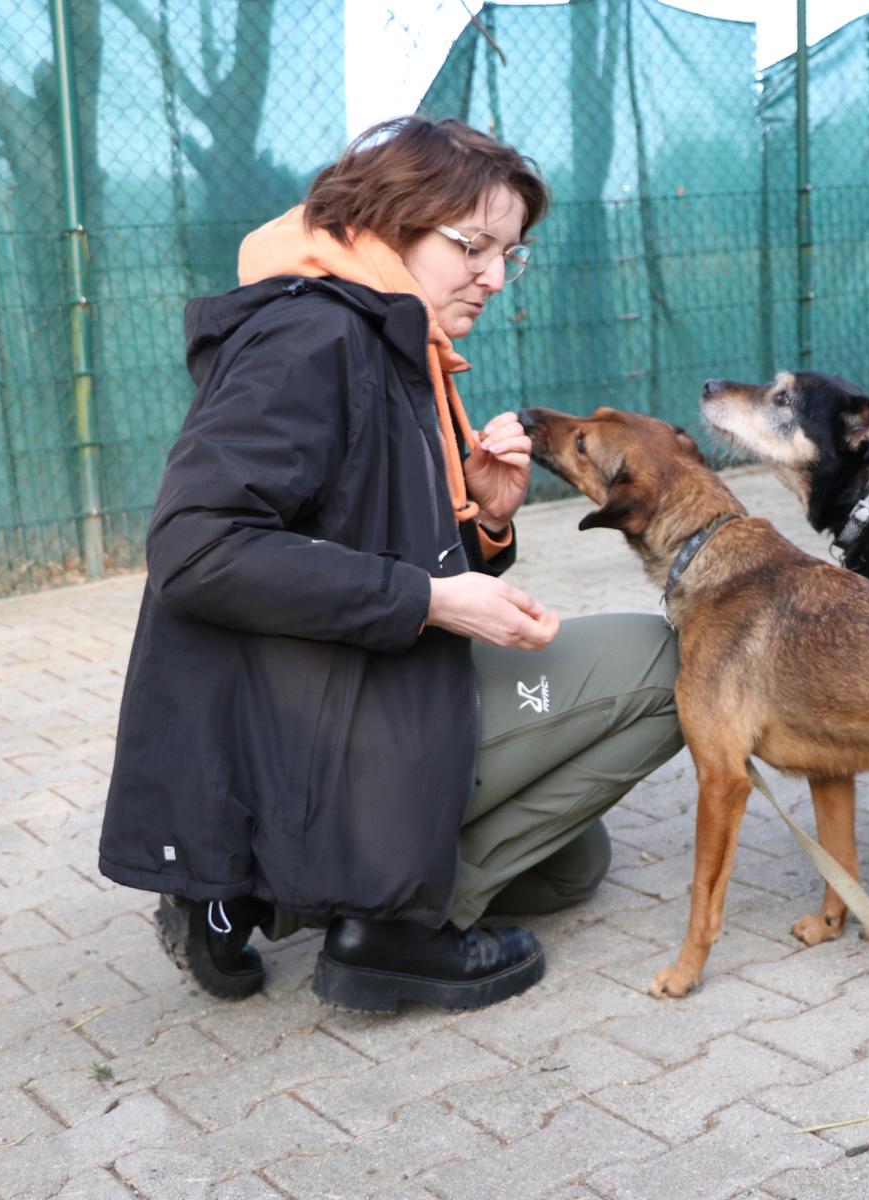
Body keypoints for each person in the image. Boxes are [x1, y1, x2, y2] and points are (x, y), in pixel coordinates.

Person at [98, 117, 684, 1013]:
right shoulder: (310, 339)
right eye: (473, 246)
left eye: (509, 254)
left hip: (351, 691)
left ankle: (257, 896)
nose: (494, 277)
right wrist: (433, 600)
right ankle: (391, 932)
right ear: (391, 220)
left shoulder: (386, 334)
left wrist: (484, 520)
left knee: (573, 867)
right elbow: (197, 547)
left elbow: (358, 525)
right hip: (331, 719)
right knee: (664, 660)